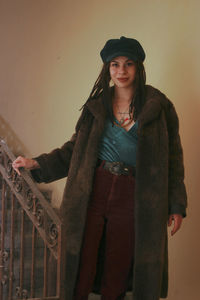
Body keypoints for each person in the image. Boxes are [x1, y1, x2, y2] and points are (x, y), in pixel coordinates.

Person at [12, 36, 187, 300]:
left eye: (128, 64)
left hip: (134, 194)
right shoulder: (97, 107)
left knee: (117, 269)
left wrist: (176, 206)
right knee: (80, 265)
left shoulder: (159, 108)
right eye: (115, 64)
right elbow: (75, 150)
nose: (121, 71)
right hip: (93, 189)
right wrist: (37, 163)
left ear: (138, 67)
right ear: (107, 68)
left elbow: (174, 160)